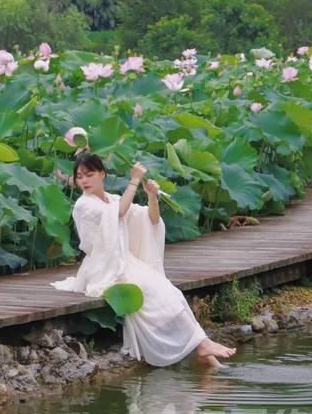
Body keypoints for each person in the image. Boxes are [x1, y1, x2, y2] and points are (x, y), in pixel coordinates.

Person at [51, 152, 236, 367]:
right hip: (103, 266)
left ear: (102, 174)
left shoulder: (111, 199)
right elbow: (119, 212)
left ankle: (205, 350)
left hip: (123, 261)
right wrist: (135, 180)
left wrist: (151, 196)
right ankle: (203, 346)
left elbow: (151, 219)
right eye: (79, 176)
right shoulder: (84, 204)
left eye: (89, 175)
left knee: (170, 291)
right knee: (156, 290)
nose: (83, 181)